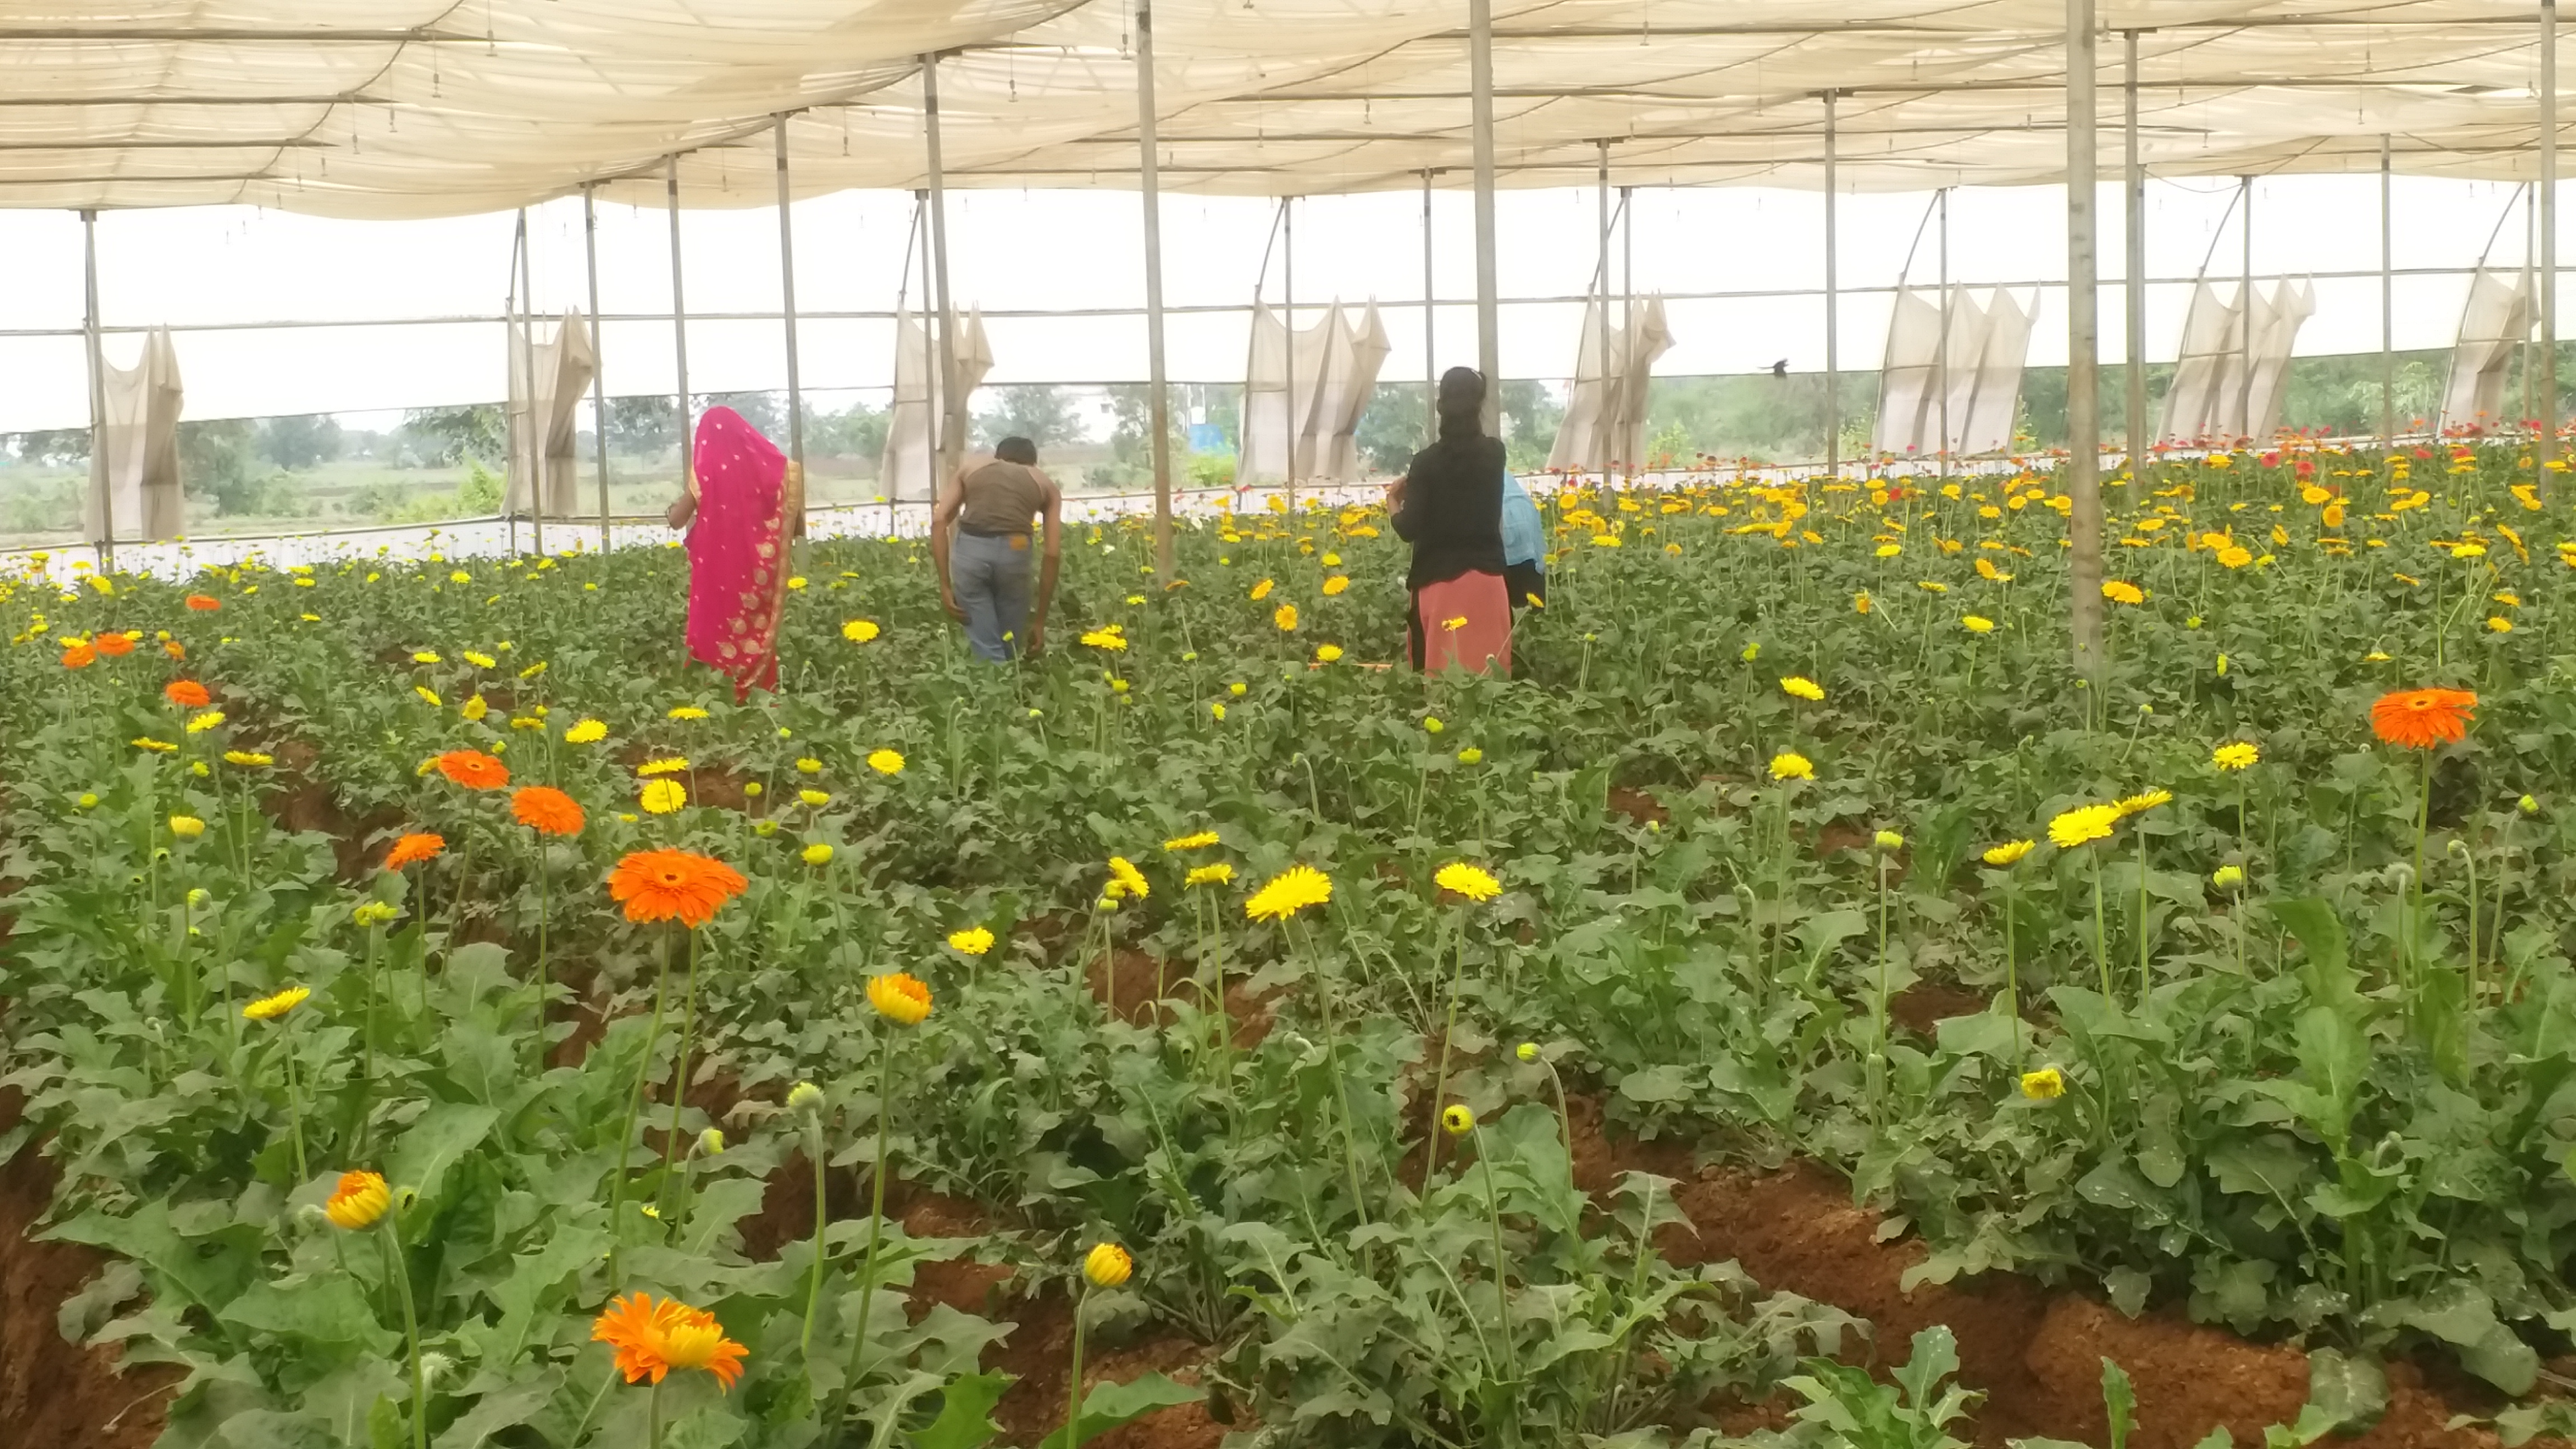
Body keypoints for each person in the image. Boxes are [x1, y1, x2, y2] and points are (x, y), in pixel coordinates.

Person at [669, 406, 804, 698]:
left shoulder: (706, 472)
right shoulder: (778, 473)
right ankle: (756, 693)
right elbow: (797, 527)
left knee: (712, 629)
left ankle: (715, 694)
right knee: (750, 629)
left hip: (715, 575)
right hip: (755, 577)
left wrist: (671, 511)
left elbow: (677, 520)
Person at [1389, 367, 1512, 673]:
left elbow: (1408, 528)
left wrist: (1393, 500)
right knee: (1491, 689)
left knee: (1442, 693)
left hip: (1439, 586)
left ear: (1440, 405)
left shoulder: (1427, 463)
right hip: (1488, 584)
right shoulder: (1496, 454)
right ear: (1480, 405)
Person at [932, 435, 1063, 662]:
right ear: (1033, 463)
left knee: (986, 644)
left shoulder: (972, 467)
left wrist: (944, 584)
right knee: (1008, 639)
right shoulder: (1045, 483)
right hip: (1016, 551)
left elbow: (939, 521)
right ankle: (1010, 685)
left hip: (972, 550)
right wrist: (1040, 621)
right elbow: (1052, 553)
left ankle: (997, 688)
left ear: (997, 456)